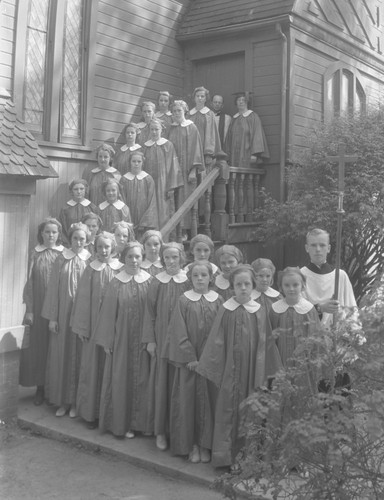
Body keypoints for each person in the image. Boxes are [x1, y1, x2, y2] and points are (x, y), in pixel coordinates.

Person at [196, 264, 282, 468]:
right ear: (232, 286)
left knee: (250, 411)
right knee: (227, 410)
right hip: (229, 372)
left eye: (246, 284)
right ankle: (226, 457)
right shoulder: (226, 310)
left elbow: (265, 344)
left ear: (252, 286)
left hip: (253, 371)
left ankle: (247, 458)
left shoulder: (259, 311)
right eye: (238, 284)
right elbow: (216, 342)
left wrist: (263, 372)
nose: (243, 288)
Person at [164, 261, 224, 463]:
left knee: (210, 404)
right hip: (189, 364)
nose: (200, 279)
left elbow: (220, 333)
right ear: (190, 278)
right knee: (188, 403)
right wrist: (190, 357)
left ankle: (206, 445)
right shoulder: (184, 301)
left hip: (210, 365)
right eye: (196, 275)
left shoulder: (218, 300)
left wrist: (207, 360)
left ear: (210, 278)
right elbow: (178, 330)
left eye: (203, 275)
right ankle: (191, 445)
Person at [94, 241, 153, 438]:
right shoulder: (116, 282)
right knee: (121, 379)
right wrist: (108, 341)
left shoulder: (150, 281)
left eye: (137, 256)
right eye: (130, 257)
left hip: (143, 340)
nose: (134, 261)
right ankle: (123, 423)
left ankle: (141, 424)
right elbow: (108, 313)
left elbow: (153, 314)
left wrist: (150, 339)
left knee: (143, 379)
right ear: (123, 258)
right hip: (122, 339)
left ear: (142, 258)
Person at [71, 232, 124, 429]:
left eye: (107, 247)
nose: (103, 251)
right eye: (100, 247)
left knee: (113, 369)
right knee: (92, 367)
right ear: (95, 249)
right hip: (93, 327)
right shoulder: (91, 270)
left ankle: (110, 414)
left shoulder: (121, 270)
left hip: (114, 327)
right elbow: (83, 300)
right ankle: (90, 413)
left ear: (113, 248)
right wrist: (82, 327)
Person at [142, 242, 190, 449]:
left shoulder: (188, 281)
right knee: (162, 383)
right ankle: (160, 431)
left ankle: (179, 431)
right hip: (161, 339)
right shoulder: (157, 282)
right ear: (162, 259)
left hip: (182, 340)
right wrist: (150, 340)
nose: (171, 261)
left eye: (175, 257)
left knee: (180, 384)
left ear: (182, 258)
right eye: (167, 258)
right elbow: (149, 313)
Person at [42, 222, 92, 417]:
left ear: (87, 241)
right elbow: (53, 288)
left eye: (82, 239)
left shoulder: (91, 260)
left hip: (82, 318)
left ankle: (76, 403)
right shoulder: (61, 259)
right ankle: (62, 400)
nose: (78, 242)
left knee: (80, 358)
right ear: (69, 239)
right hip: (62, 316)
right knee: (61, 356)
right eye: (75, 238)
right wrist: (52, 318)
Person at [19, 218, 64, 406]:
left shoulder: (64, 255)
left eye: (54, 232)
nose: (51, 235)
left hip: (60, 308)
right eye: (47, 232)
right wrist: (29, 309)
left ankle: (56, 389)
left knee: (58, 347)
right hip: (38, 308)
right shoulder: (34, 254)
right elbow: (28, 283)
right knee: (39, 347)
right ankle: (40, 388)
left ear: (59, 234)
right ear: (41, 233)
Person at [300, 228, 357, 327]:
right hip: (311, 335)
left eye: (322, 245)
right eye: (313, 245)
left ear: (329, 248)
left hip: (337, 335)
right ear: (307, 248)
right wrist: (320, 308)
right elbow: (298, 311)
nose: (318, 249)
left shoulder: (340, 275)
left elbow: (351, 309)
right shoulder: (301, 275)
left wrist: (354, 335)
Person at [167, 100, 205, 232]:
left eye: (179, 111)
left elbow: (196, 150)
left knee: (185, 198)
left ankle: (185, 230)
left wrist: (193, 170)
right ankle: (174, 230)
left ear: (185, 111)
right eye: (174, 111)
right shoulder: (170, 129)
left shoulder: (191, 127)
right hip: (173, 170)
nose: (177, 113)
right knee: (173, 199)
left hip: (186, 170)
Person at [142, 118, 183, 229]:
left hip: (164, 184)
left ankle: (164, 236)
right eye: (152, 129)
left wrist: (171, 186)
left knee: (164, 209)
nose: (154, 132)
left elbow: (173, 167)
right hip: (149, 183)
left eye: (156, 129)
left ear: (162, 130)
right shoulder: (145, 147)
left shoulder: (168, 145)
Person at [119, 151, 158, 239]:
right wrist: (126, 218)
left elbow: (152, 201)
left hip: (143, 218)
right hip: (129, 216)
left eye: (139, 161)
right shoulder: (124, 180)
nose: (136, 164)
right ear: (130, 162)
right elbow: (122, 201)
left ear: (143, 163)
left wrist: (145, 221)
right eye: (134, 161)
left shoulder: (148, 179)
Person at [225, 92, 269, 168]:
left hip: (247, 155)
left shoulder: (253, 117)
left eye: (243, 100)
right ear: (236, 102)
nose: (241, 102)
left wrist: (254, 154)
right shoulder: (234, 119)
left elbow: (257, 136)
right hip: (234, 156)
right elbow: (228, 139)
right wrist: (227, 156)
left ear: (247, 102)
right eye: (239, 100)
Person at [188, 86, 221, 169]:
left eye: (202, 96)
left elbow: (211, 135)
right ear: (194, 98)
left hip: (204, 152)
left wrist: (208, 154)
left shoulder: (209, 114)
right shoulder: (189, 114)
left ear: (206, 99)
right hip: (190, 151)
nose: (200, 98)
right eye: (197, 96)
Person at [59, 179, 97, 246]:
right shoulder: (65, 209)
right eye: (76, 189)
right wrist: (68, 243)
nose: (79, 192)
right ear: (71, 191)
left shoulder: (92, 207)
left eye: (82, 189)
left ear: (86, 190)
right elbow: (62, 229)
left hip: (89, 244)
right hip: (70, 244)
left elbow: (96, 228)